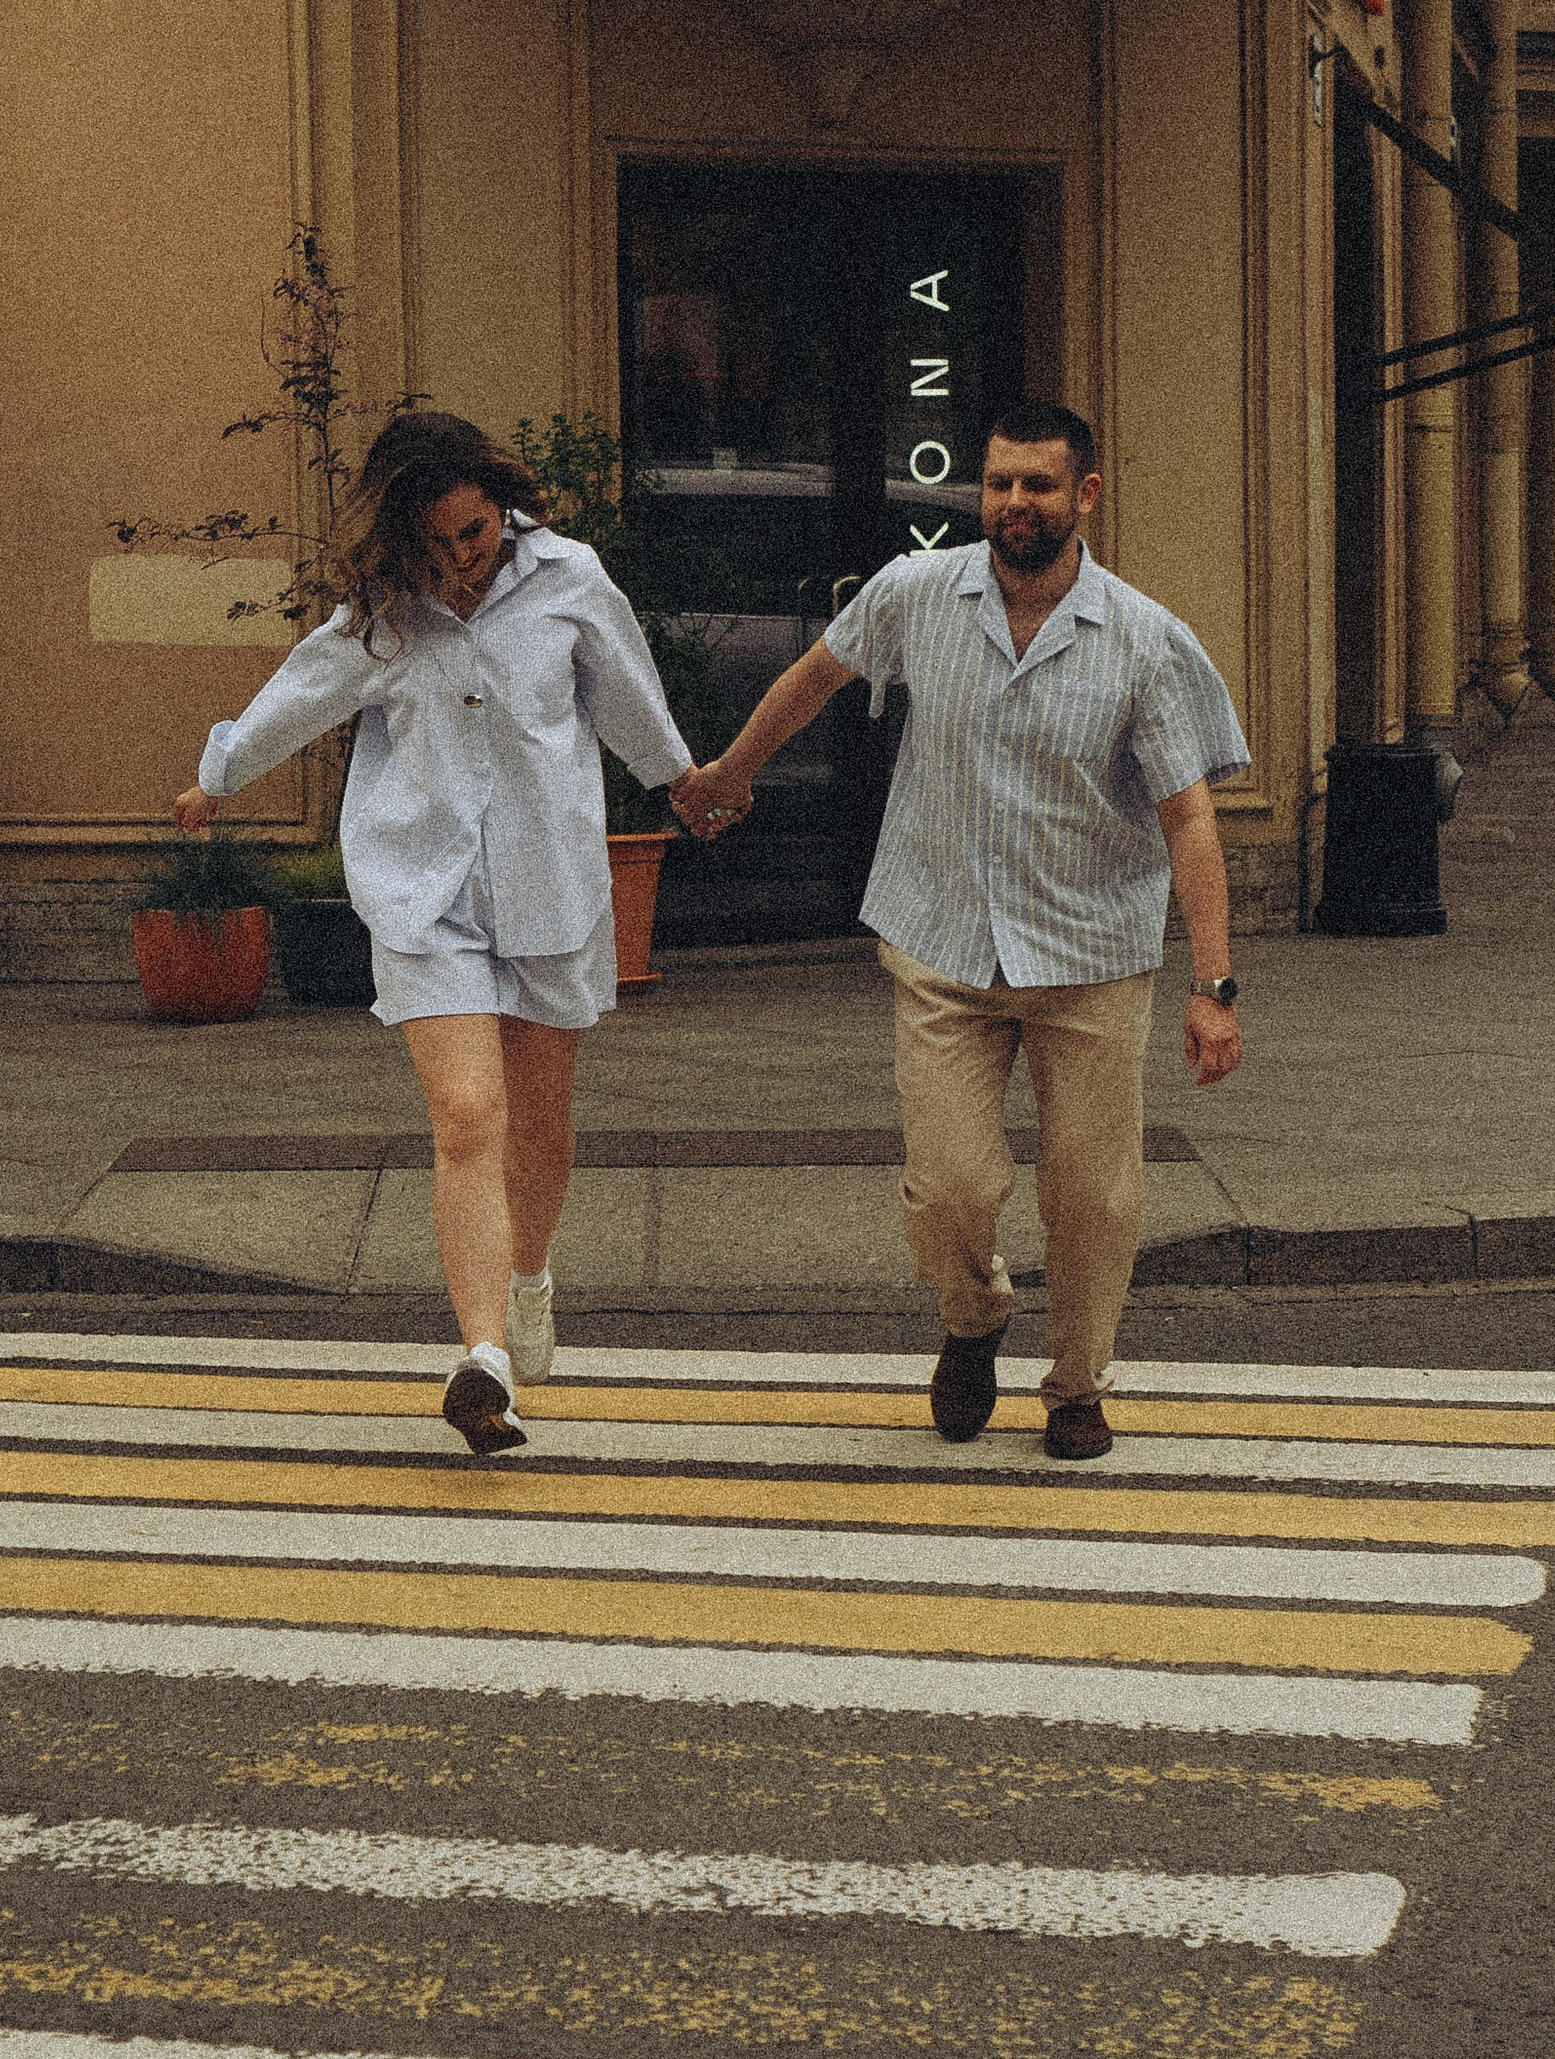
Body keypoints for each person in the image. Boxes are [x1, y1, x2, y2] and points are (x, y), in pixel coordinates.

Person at [670, 406, 1248, 1461]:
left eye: (1037, 485)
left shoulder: (1145, 640)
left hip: (1090, 956)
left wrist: (1215, 985)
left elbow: (1188, 814)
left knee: (1090, 1194)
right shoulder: (914, 595)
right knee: (949, 1186)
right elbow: (816, 675)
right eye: (997, 484)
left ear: (1085, 496)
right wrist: (734, 769)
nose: (1013, 505)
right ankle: (971, 1321)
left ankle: (1076, 1387)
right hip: (941, 942)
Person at [174, 411, 694, 1460]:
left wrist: (684, 784)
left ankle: (529, 1281)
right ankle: (484, 1358)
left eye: (479, 530)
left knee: (539, 1125)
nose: (468, 556)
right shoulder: (381, 619)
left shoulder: (569, 578)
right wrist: (219, 776)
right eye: (444, 542)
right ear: (403, 540)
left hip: (549, 885)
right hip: (425, 894)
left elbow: (628, 697)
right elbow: (298, 696)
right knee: (466, 1116)